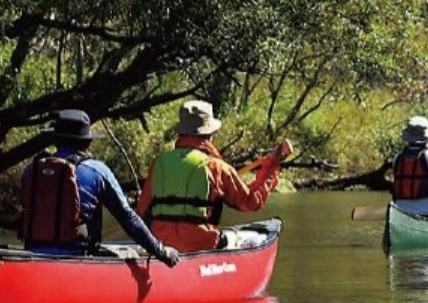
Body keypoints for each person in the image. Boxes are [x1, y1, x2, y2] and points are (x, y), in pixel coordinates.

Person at [21, 109, 180, 267]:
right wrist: (160, 251)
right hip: (77, 260)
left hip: (32, 258)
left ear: (55, 140)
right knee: (127, 252)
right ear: (87, 142)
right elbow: (128, 218)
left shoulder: (31, 171)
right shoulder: (97, 171)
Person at [136, 99, 292, 252]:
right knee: (245, 238)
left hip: (159, 244)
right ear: (210, 134)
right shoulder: (215, 167)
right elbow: (251, 201)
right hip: (201, 244)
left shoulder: (159, 163)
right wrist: (272, 166)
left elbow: (142, 211)